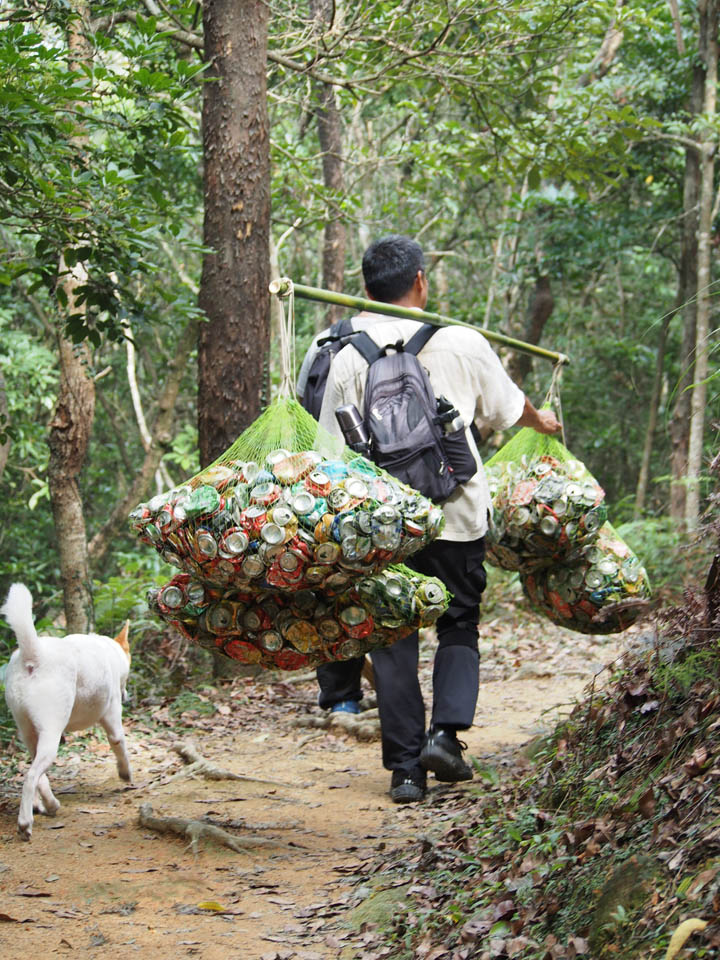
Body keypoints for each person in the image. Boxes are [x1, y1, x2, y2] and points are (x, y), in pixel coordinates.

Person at [301, 234, 561, 803]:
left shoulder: (344, 353)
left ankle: (405, 772)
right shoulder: (462, 341)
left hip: (387, 526)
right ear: (421, 280)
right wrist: (546, 425)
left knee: (392, 638)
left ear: (365, 289)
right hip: (458, 515)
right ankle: (446, 735)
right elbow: (510, 411)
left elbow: (329, 456)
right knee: (458, 624)